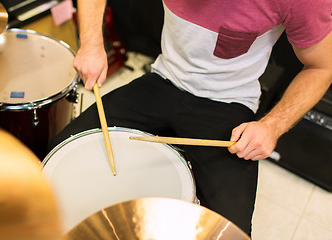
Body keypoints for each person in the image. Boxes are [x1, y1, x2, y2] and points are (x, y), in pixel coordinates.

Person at [51, 0, 332, 235]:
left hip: (227, 102)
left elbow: (322, 67)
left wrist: (272, 126)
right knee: (58, 159)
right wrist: (90, 42)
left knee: (230, 231)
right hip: (162, 80)